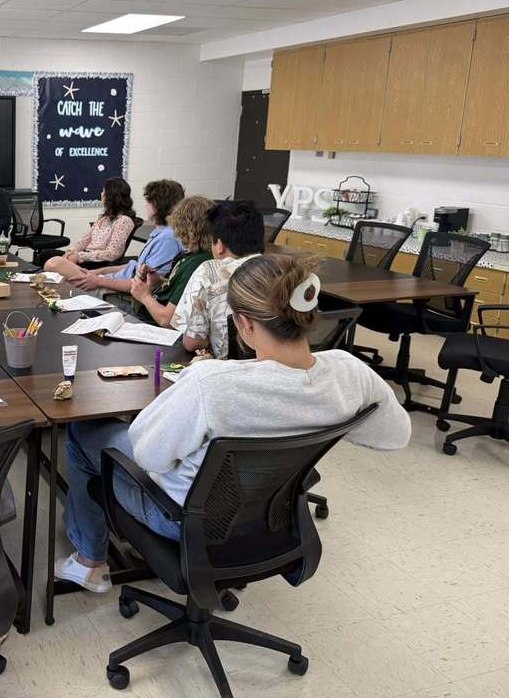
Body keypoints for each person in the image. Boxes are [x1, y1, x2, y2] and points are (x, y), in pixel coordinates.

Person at [55, 252, 411, 592]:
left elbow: (149, 458)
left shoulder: (212, 383)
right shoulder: (350, 372)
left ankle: (90, 562)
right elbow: (396, 435)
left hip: (180, 518)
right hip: (271, 516)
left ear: (243, 322)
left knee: (85, 432)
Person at [171, 200, 265, 357]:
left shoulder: (209, 271)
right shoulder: (277, 270)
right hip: (275, 368)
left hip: (226, 371)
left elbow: (191, 342)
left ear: (219, 245)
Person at [67, 179, 184, 295]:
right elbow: (134, 266)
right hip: (111, 279)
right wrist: (99, 272)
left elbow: (144, 285)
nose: (145, 205)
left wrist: (99, 280)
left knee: (55, 265)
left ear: (158, 204)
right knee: (58, 267)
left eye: (148, 201)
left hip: (117, 289)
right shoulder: (159, 233)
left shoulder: (167, 239)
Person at [129, 195, 214, 327]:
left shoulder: (197, 264)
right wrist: (160, 281)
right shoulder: (192, 256)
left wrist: (144, 296)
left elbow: (167, 320)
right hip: (150, 312)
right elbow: (182, 290)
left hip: (153, 323)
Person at [43, 178, 136, 275]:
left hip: (98, 262)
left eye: (103, 191)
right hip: (85, 256)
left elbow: (113, 253)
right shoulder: (104, 218)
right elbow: (85, 240)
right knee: (46, 254)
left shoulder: (124, 221)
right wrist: (71, 252)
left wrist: (80, 257)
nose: (101, 194)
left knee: (54, 263)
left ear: (111, 196)